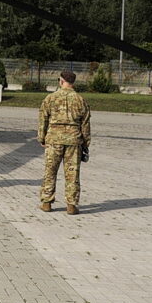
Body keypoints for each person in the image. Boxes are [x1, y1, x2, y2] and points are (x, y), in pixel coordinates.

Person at [38, 70, 91, 215]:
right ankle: (71, 205)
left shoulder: (50, 98)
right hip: (74, 141)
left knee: (50, 171)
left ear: (61, 81)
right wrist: (86, 143)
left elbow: (43, 119)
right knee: (72, 173)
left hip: (54, 139)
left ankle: (47, 203)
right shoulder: (80, 100)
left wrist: (42, 138)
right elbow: (85, 124)